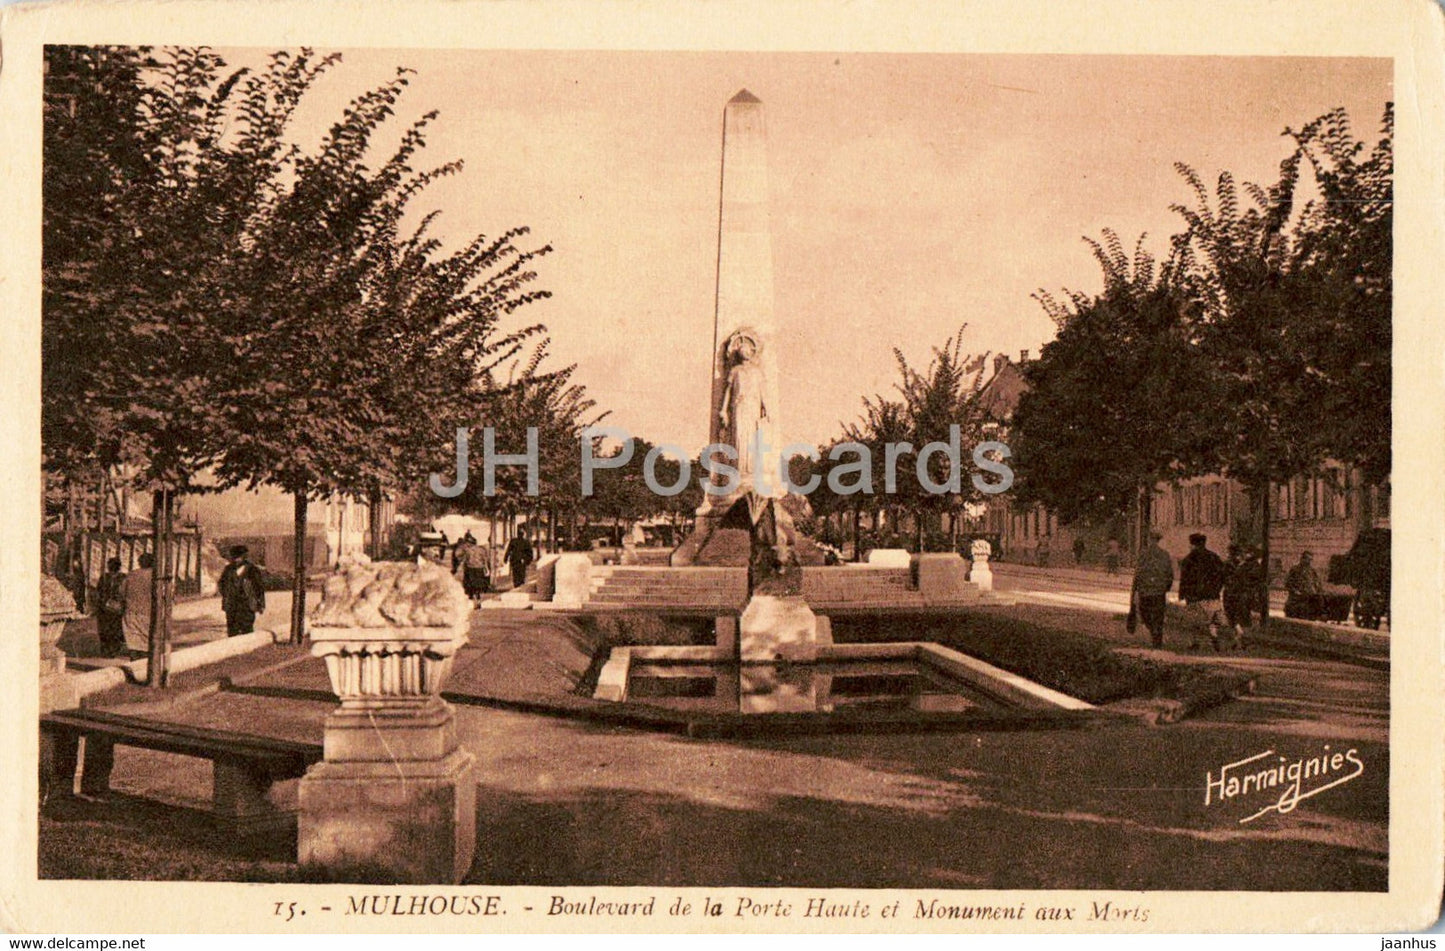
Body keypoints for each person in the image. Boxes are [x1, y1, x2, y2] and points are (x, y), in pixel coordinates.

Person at [1178, 533, 1227, 651]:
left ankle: (1195, 643)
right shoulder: (1214, 557)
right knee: (1212, 620)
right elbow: (1222, 575)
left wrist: (1182, 594)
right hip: (1212, 595)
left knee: (1195, 622)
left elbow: (1185, 578)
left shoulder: (1189, 559)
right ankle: (1214, 636)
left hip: (1195, 596)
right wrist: (1218, 589)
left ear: (1193, 544)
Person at [1131, 529, 1174, 648]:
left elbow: (1138, 573)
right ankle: (1157, 640)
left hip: (1145, 591)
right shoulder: (1165, 554)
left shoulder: (1143, 554)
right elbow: (1169, 574)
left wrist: (1135, 589)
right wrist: (1166, 587)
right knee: (1158, 616)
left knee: (1146, 615)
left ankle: (1154, 635)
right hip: (1159, 591)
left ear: (1149, 540)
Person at [218, 545, 266, 636]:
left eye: (238, 557)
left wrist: (261, 604)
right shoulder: (228, 570)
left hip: (247, 605)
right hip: (232, 606)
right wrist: (226, 595)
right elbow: (221, 584)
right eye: (234, 557)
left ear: (244, 557)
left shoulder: (252, 570)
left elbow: (259, 588)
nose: (236, 560)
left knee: (247, 630)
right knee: (232, 631)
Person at [120, 552, 155, 656]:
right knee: (147, 640)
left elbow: (122, 592)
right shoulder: (156, 575)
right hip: (150, 613)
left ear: (140, 563)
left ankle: (134, 662)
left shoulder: (131, 575)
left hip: (132, 613)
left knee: (133, 641)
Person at [1221, 544, 1254, 649]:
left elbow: (1223, 579)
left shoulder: (1228, 565)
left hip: (1232, 594)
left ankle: (1240, 636)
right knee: (1243, 617)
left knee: (1232, 617)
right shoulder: (1248, 566)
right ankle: (1240, 639)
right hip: (1244, 595)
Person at [95, 557, 127, 657]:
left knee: (115, 629)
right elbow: (99, 591)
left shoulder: (123, 577)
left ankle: (113, 650)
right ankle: (106, 650)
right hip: (105, 608)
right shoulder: (104, 577)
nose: (110, 567)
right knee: (105, 630)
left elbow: (124, 592)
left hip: (116, 609)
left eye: (112, 565)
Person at [1285, 550, 1324, 620]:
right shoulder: (1295, 570)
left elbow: (1318, 583)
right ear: (1302, 559)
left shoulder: (1312, 571)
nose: (1309, 562)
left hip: (1310, 598)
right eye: (1307, 559)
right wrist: (1295, 591)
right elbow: (1288, 584)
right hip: (1298, 598)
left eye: (1310, 560)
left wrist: (1318, 591)